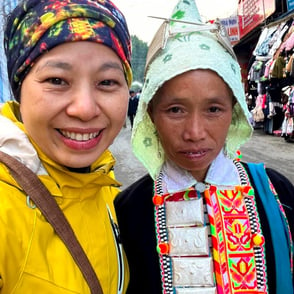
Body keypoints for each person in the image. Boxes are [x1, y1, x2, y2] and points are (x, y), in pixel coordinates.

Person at [114, 0, 294, 293]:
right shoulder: (129, 211)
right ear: (150, 114)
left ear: (234, 110)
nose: (195, 133)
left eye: (213, 109)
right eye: (175, 110)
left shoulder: (277, 194)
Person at [0, 0, 132, 293]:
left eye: (107, 82)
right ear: (18, 89)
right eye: (57, 80)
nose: (85, 109)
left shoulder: (108, 191)